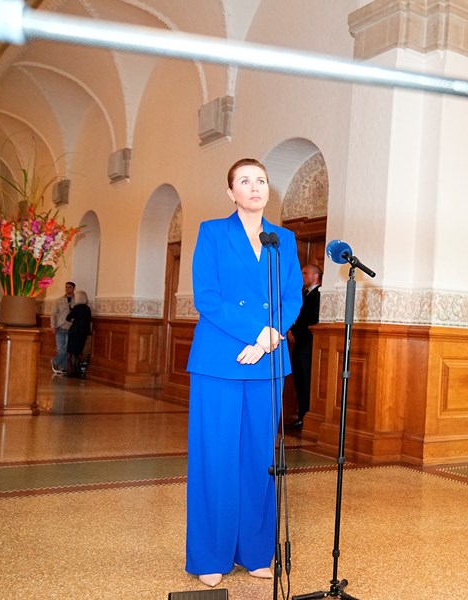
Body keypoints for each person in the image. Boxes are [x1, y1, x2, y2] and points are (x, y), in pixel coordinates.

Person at [184, 158, 303, 587]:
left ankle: (254, 551)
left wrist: (270, 338)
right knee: (215, 458)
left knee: (259, 460)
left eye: (261, 181)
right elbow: (208, 298)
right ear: (230, 192)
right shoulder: (212, 233)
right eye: (245, 181)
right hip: (219, 361)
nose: (255, 187)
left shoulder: (283, 239)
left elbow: (292, 296)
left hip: (267, 362)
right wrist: (255, 334)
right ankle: (210, 556)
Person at [288, 263, 321, 429]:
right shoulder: (303, 294)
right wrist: (290, 330)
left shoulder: (318, 295)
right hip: (299, 344)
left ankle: (306, 416)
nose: (302, 276)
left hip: (309, 345)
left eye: (305, 273)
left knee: (306, 380)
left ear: (315, 276)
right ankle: (301, 414)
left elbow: (311, 319)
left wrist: (297, 330)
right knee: (299, 380)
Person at [64, 290, 91, 378]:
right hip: (84, 332)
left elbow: (68, 318)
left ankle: (71, 371)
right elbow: (88, 320)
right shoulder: (87, 309)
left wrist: (74, 320)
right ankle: (78, 371)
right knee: (78, 351)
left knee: (71, 351)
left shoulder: (76, 308)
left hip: (75, 331)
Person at [50, 281, 75, 375]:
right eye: (66, 287)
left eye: (69, 287)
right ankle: (63, 367)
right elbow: (53, 314)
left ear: (73, 289)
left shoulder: (76, 300)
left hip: (70, 328)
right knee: (60, 348)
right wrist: (53, 326)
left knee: (67, 347)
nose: (67, 289)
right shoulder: (59, 300)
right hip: (60, 326)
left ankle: (55, 361)